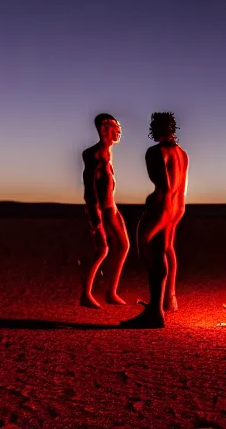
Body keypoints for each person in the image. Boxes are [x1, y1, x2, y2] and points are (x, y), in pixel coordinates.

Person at [121, 112, 189, 328]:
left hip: (163, 205)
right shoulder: (183, 153)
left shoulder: (155, 152)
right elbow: (181, 187)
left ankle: (155, 311)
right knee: (167, 248)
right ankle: (169, 299)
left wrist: (154, 198)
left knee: (148, 248)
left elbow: (166, 186)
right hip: (179, 207)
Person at [80, 113, 130, 308]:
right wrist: (95, 217)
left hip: (112, 207)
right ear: (104, 129)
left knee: (124, 245)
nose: (118, 131)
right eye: (114, 128)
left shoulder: (108, 152)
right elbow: (90, 188)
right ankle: (85, 294)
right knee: (102, 250)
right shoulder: (94, 154)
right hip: (100, 209)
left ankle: (111, 292)